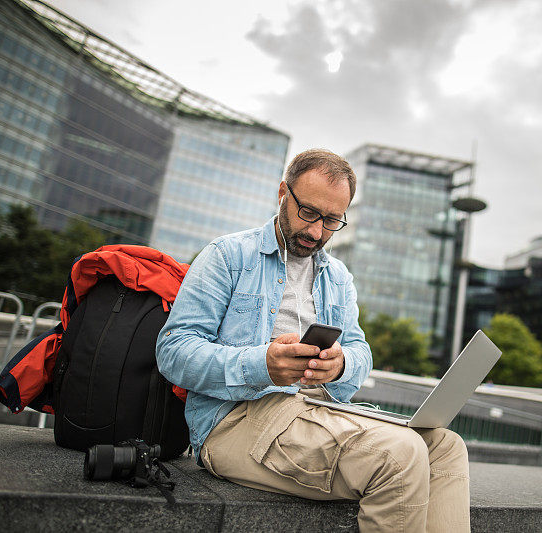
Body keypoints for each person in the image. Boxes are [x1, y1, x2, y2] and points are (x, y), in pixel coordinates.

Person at [156, 149, 470, 532]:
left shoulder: (338, 277)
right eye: (309, 213)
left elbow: (360, 352)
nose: (317, 232)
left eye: (332, 220)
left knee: (445, 446)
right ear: (282, 194)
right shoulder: (227, 256)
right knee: (400, 456)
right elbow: (173, 351)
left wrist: (340, 366)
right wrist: (263, 364)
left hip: (319, 411)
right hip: (235, 420)